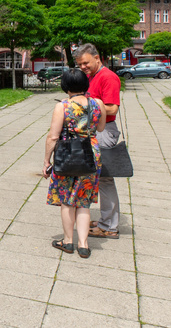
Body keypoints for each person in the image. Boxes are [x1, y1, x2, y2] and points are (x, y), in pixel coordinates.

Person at [42, 68, 105, 258]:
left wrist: (46, 161)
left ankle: (68, 241)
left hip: (69, 153)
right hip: (91, 152)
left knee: (67, 200)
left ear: (65, 86)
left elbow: (53, 136)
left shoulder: (63, 106)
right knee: (84, 201)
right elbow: (101, 127)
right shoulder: (98, 103)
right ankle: (83, 245)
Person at [75, 43, 123, 239]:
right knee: (99, 178)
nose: (83, 67)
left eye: (85, 63)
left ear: (97, 58)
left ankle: (109, 226)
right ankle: (106, 220)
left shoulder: (107, 77)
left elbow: (112, 108)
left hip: (104, 131)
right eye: (80, 64)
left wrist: (86, 107)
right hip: (95, 130)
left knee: (105, 179)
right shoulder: (92, 76)